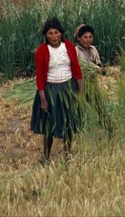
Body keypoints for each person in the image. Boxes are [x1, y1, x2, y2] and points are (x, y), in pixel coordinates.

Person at [30, 17, 84, 162]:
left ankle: (67, 154)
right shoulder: (41, 51)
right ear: (45, 35)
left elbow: (77, 70)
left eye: (56, 33)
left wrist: (81, 91)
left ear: (61, 33)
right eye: (50, 34)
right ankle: (45, 156)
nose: (54, 36)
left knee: (68, 122)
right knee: (49, 125)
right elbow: (40, 77)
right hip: (50, 90)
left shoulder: (69, 47)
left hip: (68, 88)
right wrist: (43, 99)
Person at [74, 24, 116, 137]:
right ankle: (79, 136)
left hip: (92, 85)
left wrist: (102, 70)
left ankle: (110, 131)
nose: (88, 40)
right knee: (79, 111)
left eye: (90, 37)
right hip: (79, 87)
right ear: (78, 38)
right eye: (85, 37)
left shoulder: (93, 50)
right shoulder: (75, 51)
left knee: (100, 108)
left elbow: (98, 66)